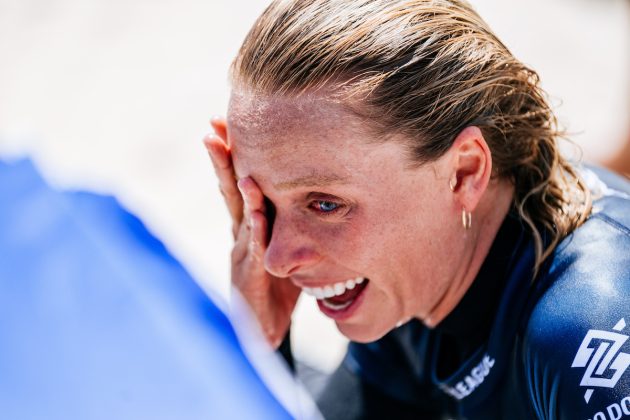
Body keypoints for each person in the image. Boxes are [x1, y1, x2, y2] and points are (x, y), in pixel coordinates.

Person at [204, 1, 630, 418]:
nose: (276, 260)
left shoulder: (585, 337)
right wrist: (255, 349)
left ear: (465, 172)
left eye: (325, 204)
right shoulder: (417, 269)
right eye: (263, 205)